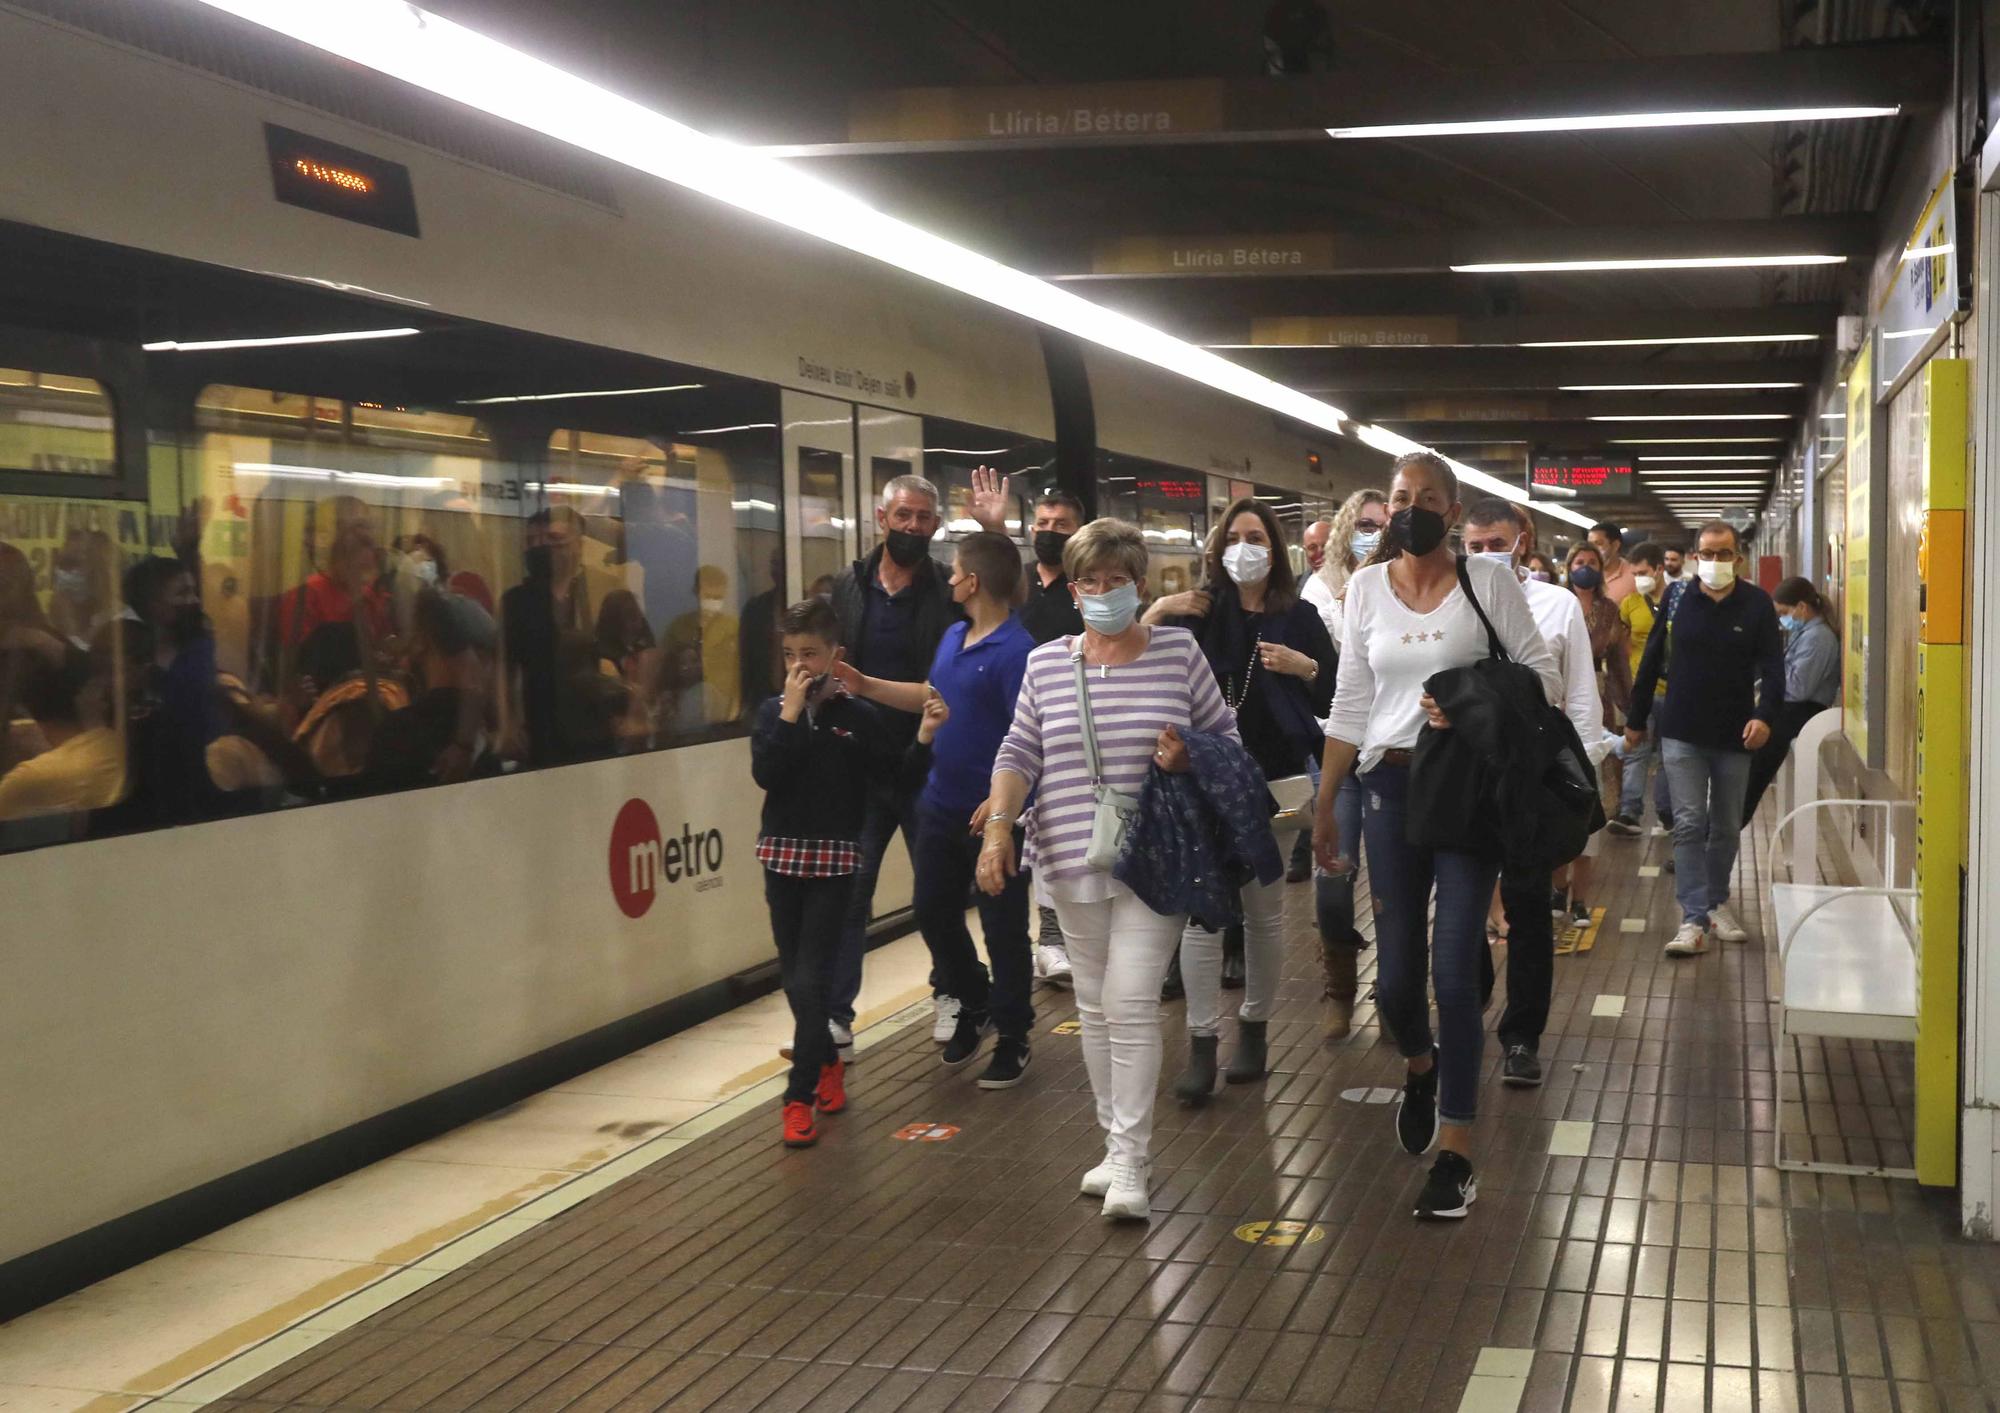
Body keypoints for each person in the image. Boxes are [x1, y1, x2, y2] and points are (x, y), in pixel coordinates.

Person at [1313, 452, 1560, 1221]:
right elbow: (1351, 700)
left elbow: (1542, 678)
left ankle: (1456, 1151)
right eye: (1398, 498)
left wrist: (1472, 699)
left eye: (1426, 499)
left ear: (1452, 514)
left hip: (1465, 790)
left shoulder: (1489, 584)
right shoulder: (1362, 590)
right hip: (1386, 786)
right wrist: (1324, 801)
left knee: (1455, 970)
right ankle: (1420, 1066)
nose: (1409, 509)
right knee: (1393, 987)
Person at [981, 518, 1237, 1220]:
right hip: (1068, 854)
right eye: (1087, 582)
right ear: (1071, 588)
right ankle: (1112, 1143)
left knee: (1128, 1003)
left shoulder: (1178, 653)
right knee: (1094, 1007)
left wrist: (1189, 756)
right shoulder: (1046, 663)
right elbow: (1017, 753)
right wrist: (999, 826)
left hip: (1156, 859)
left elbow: (1226, 739)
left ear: (1140, 585)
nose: (1100, 593)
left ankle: (1132, 1158)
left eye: (1114, 581)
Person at [1146, 497, 1335, 1096]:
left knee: (1263, 914)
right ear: (1217, 548)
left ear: (1276, 550)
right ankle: (1202, 1042)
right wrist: (1158, 607)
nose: (1244, 548)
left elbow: (1339, 695)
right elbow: (1131, 659)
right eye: (1234, 537)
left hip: (1277, 780)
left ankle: (1253, 1027)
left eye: (1256, 537)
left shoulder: (1298, 616)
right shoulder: (1197, 614)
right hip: (1202, 778)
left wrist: (1306, 668)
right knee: (1203, 916)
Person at [840, 531, 1038, 1087]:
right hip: (938, 806)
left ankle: (1015, 1033)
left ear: (973, 582)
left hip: (993, 817)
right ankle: (976, 999)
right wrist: (866, 685)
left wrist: (1000, 809)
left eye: (955, 571)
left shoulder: (1018, 654)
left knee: (1002, 927)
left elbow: (1030, 739)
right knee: (932, 911)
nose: (949, 578)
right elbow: (931, 695)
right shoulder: (954, 635)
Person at [828, 468, 1007, 1052]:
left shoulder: (948, 592)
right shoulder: (847, 587)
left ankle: (951, 992)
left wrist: (994, 530)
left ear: (935, 526)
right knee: (851, 894)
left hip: (929, 764)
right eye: (902, 516)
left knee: (938, 897)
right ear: (882, 520)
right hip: (859, 767)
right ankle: (836, 1015)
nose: (912, 527)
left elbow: (1004, 605)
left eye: (923, 519)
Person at [751, 598, 924, 1149]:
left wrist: (922, 740)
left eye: (811, 654)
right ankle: (827, 1060)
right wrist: (789, 713)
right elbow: (768, 774)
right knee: (794, 976)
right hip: (781, 856)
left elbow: (893, 778)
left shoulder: (858, 718)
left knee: (812, 980)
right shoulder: (770, 712)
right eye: (790, 655)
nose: (800, 666)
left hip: (835, 860)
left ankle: (796, 1098)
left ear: (835, 655)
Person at [1460, 499, 1611, 1088]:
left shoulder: (1557, 605)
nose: (1485, 556)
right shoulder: (1455, 602)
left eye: (1495, 543)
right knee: (1463, 902)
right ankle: (1467, 1004)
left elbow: (1579, 696)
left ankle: (1522, 1035)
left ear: (1521, 541)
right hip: (1468, 773)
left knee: (1526, 907)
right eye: (1473, 547)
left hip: (1532, 776)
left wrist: (1580, 779)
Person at [1626, 520, 1784, 957]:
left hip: (1736, 734)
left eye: (1724, 554)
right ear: (1695, 557)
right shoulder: (1677, 600)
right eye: (1707, 554)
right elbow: (1651, 661)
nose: (1715, 562)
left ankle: (1716, 901)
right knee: (1691, 821)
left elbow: (1774, 669)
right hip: (1681, 731)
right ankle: (1693, 917)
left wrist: (1765, 716)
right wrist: (1635, 719)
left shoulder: (1756, 605)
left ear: (1739, 558)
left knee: (1727, 825)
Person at [1300, 487, 1388, 1034]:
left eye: (1381, 522)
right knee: (1331, 876)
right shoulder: (1317, 591)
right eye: (1362, 522)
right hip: (1335, 748)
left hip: (1388, 748)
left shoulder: (1399, 584)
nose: (1371, 532)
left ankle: (1391, 983)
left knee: (1391, 884)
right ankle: (1339, 984)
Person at [1017, 488, 1087, 991]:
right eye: (1042, 522)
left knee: (1057, 835)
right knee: (1030, 837)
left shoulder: (1085, 590)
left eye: (1061, 524)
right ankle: (1046, 940)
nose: (1048, 531)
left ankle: (1054, 939)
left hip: (1070, 728)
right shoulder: (1017, 585)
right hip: (1020, 722)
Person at [1552, 541, 1630, 925]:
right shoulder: (1553, 604)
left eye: (1592, 563)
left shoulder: (1609, 611)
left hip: (1595, 702)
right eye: (1578, 562)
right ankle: (1556, 888)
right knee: (1556, 801)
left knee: (1590, 798)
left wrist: (1631, 712)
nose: (1585, 568)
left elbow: (1619, 665)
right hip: (1553, 706)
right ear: (1568, 568)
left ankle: (1580, 896)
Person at [1740, 577, 1840, 824]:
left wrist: (1773, 672)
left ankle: (1721, 830)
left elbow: (1798, 688)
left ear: (1802, 607)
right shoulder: (1807, 634)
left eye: (1784, 613)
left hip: (1799, 712)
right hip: (1789, 710)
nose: (1783, 620)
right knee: (1746, 774)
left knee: (1752, 778)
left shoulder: (1818, 638)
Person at [1607, 542, 1673, 836]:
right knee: (1636, 749)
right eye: (1634, 573)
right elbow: (1618, 642)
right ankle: (1629, 812)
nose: (1638, 578)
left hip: (1673, 691)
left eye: (1643, 572)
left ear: (1659, 569)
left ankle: (1666, 812)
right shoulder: (1630, 604)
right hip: (1640, 690)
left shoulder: (1679, 601)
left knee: (1669, 754)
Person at [1588, 521, 1638, 606]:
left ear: (1615, 545)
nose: (1592, 550)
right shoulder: (1586, 575)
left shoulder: (1634, 577)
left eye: (1598, 544)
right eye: (1589, 545)